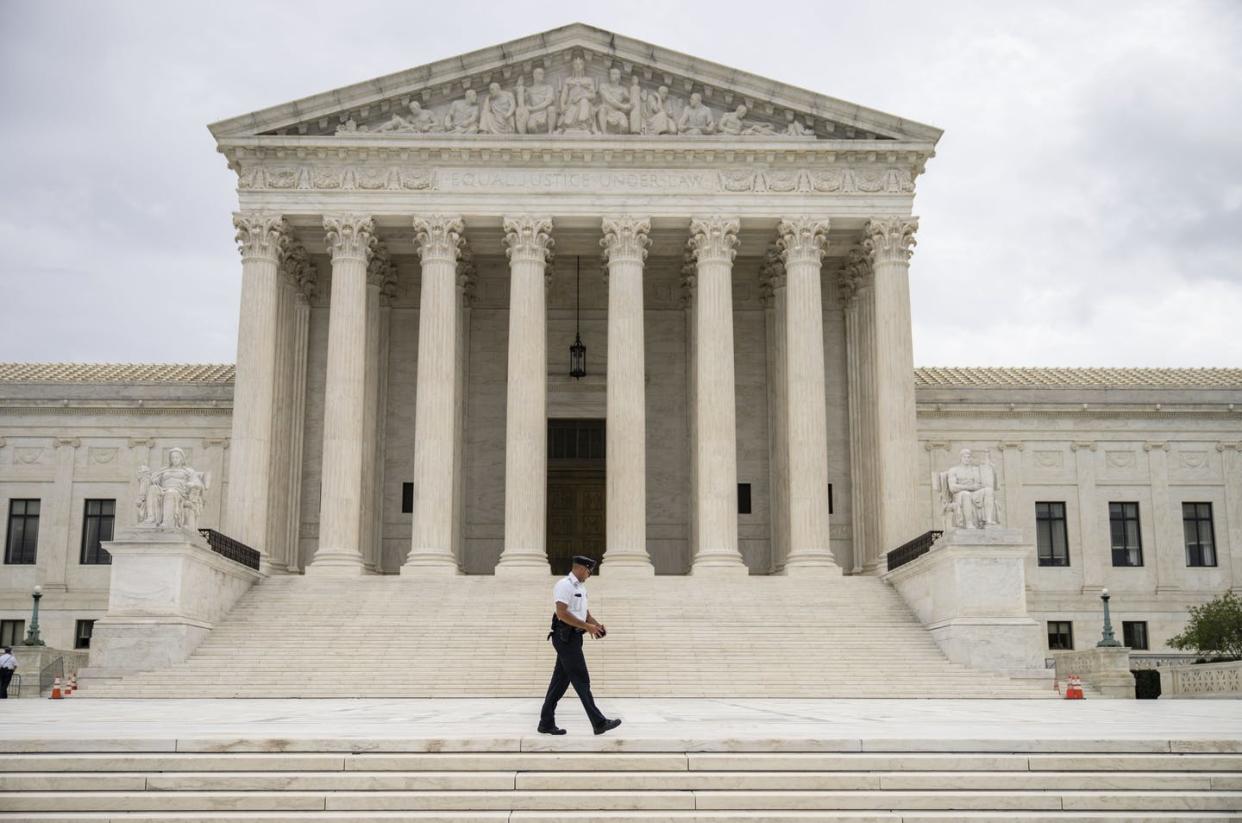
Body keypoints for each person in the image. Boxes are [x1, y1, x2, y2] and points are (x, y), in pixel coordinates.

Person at [538, 555, 622, 735]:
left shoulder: (581, 588)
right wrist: (587, 627)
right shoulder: (564, 585)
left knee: (559, 683)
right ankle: (598, 722)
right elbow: (561, 613)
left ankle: (545, 723)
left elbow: (584, 612)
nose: (590, 574)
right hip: (564, 636)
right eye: (589, 571)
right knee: (581, 679)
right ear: (580, 568)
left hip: (574, 637)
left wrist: (596, 625)